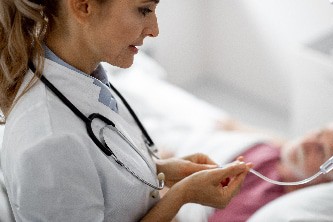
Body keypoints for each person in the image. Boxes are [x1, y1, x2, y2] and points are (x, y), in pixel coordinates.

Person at [0, 1, 252, 221]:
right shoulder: (48, 143)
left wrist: (163, 169)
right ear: (83, 5)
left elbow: (105, 178)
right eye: (143, 10)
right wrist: (182, 194)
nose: (155, 29)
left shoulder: (85, 81)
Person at [207, 121, 333, 222]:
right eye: (319, 133)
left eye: (321, 151)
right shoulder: (280, 150)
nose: (307, 142)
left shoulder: (266, 206)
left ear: (328, 178)